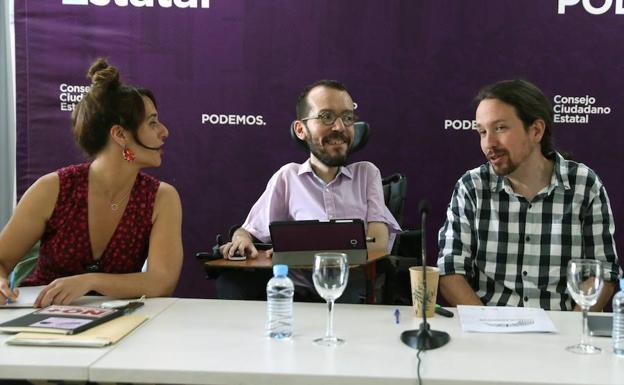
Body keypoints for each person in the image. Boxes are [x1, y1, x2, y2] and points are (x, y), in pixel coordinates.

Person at [0, 58, 183, 307]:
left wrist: (90, 281)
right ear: (119, 134)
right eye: (152, 122)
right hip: (38, 319)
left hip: (119, 326)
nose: (164, 131)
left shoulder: (162, 197)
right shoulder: (52, 189)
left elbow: (162, 281)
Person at [437, 79, 621, 311]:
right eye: (482, 132)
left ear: (536, 130)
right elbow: (450, 271)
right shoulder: (472, 187)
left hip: (562, 332)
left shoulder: (584, 185)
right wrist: (488, 326)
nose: (488, 143)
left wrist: (573, 330)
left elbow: (603, 271)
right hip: (489, 333)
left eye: (500, 128)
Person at [217, 79, 401, 302]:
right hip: (296, 298)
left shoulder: (366, 174)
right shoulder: (288, 177)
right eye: (326, 117)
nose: (340, 127)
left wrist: (302, 248)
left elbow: (377, 243)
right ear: (301, 129)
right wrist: (240, 239)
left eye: (347, 117)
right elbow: (248, 231)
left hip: (350, 295)